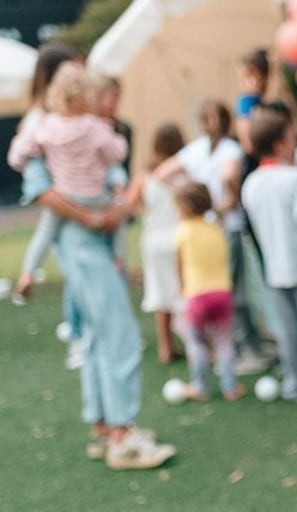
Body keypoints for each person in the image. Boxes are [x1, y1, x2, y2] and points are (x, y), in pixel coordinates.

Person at [13, 47, 175, 470]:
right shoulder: (51, 124)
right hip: (83, 240)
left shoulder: (51, 125)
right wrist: (96, 215)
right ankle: (122, 434)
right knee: (118, 333)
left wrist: (116, 200)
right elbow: (42, 193)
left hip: (90, 240)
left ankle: (106, 427)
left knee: (100, 336)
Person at [7, 61, 130, 370]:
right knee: (118, 220)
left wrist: (31, 157)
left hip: (63, 195)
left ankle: (27, 272)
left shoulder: (45, 126)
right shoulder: (94, 127)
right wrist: (113, 143)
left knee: (44, 233)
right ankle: (118, 259)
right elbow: (116, 153)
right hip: (93, 198)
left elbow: (17, 154)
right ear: (87, 95)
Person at [156, 100, 271, 374]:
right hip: (222, 227)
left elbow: (164, 173)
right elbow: (228, 180)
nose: (211, 124)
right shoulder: (214, 150)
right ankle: (241, 348)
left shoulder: (211, 150)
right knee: (232, 288)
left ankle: (241, 345)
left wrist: (193, 197)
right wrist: (202, 200)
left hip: (212, 226)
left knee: (225, 287)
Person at [241, 108, 297, 402]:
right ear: (280, 144)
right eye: (291, 138)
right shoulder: (294, 178)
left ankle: (294, 382)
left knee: (287, 330)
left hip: (274, 268)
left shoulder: (250, 184)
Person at [173, 182, 246, 402]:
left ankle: (200, 386)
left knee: (196, 342)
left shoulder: (183, 231)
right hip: (222, 293)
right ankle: (230, 386)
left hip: (197, 295)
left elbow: (179, 264)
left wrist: (182, 287)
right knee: (224, 341)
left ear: (186, 207)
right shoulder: (216, 229)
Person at [123, 123, 186, 363]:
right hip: (179, 237)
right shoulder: (181, 173)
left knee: (161, 293)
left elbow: (128, 205)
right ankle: (195, 343)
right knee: (183, 290)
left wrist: (145, 210)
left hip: (154, 239)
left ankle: (165, 346)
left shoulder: (144, 177)